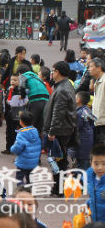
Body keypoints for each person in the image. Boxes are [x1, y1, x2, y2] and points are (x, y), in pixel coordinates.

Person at [43, 61, 77, 195]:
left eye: (53, 71)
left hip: (60, 130)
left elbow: (58, 112)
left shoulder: (62, 88)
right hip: (64, 129)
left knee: (59, 161)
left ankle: (59, 189)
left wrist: (52, 131)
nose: (52, 73)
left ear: (57, 72)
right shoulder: (65, 85)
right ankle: (59, 187)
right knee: (59, 160)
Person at [18, 64, 50, 136]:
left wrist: (22, 96)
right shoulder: (36, 77)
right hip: (46, 100)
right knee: (40, 126)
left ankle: (29, 142)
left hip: (36, 100)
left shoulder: (23, 75)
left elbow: (21, 86)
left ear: (19, 73)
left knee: (30, 124)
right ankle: (39, 144)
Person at [11, 111, 41, 185]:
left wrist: (12, 149)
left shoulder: (22, 134)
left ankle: (22, 192)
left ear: (21, 122)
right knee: (30, 178)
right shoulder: (35, 131)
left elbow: (17, 148)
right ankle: (30, 192)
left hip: (23, 162)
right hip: (33, 161)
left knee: (19, 179)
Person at [3, 73, 28, 155]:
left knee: (16, 131)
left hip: (18, 111)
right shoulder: (9, 89)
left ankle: (17, 148)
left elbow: (25, 101)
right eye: (11, 80)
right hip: (9, 112)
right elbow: (6, 99)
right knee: (8, 130)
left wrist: (18, 101)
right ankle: (8, 148)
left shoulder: (21, 90)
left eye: (15, 80)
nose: (12, 82)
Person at [71, 91, 94, 171]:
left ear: (78, 100)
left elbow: (76, 128)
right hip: (89, 142)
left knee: (81, 167)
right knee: (85, 164)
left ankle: (81, 182)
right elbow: (93, 123)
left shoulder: (79, 113)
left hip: (81, 143)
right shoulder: (88, 110)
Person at [87, 143, 105, 223]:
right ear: (91, 163)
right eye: (96, 163)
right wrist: (87, 204)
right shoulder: (91, 177)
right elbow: (92, 196)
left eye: (104, 164)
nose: (100, 167)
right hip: (95, 221)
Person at [89, 58, 105, 143]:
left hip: (103, 124)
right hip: (97, 123)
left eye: (91, 66)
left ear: (99, 68)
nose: (89, 69)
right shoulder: (97, 81)